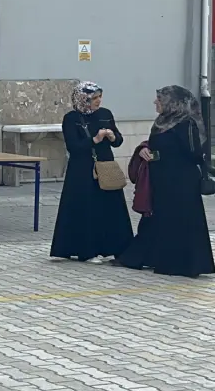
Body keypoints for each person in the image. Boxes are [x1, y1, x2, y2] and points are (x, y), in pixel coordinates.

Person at [116, 86, 215, 278]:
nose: (155, 102)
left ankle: (184, 264)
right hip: (161, 179)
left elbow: (194, 153)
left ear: (173, 103)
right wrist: (144, 150)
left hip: (181, 181)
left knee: (181, 221)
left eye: (160, 99)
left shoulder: (186, 123)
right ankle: (153, 258)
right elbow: (153, 145)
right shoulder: (161, 123)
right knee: (159, 219)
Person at [49, 81, 134, 263]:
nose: (98, 101)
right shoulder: (72, 118)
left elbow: (118, 140)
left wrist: (113, 137)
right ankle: (86, 251)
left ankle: (114, 248)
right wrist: (94, 139)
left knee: (110, 207)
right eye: (94, 98)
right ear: (83, 99)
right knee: (87, 209)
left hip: (105, 166)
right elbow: (73, 146)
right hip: (82, 170)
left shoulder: (105, 114)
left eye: (99, 97)